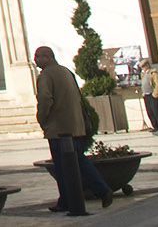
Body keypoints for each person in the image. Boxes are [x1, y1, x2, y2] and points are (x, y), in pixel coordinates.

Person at [34, 46, 113, 211]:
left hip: (58, 128)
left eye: (38, 56)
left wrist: (41, 119)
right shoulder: (66, 72)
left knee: (63, 167)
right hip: (75, 125)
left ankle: (68, 201)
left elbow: (45, 99)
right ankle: (101, 190)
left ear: (47, 57)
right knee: (80, 161)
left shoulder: (46, 76)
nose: (35, 60)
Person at [142, 64, 158, 131]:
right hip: (146, 95)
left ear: (147, 66)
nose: (142, 68)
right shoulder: (143, 74)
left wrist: (156, 94)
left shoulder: (153, 73)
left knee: (156, 111)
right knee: (150, 112)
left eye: (143, 67)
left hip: (153, 94)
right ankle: (155, 126)